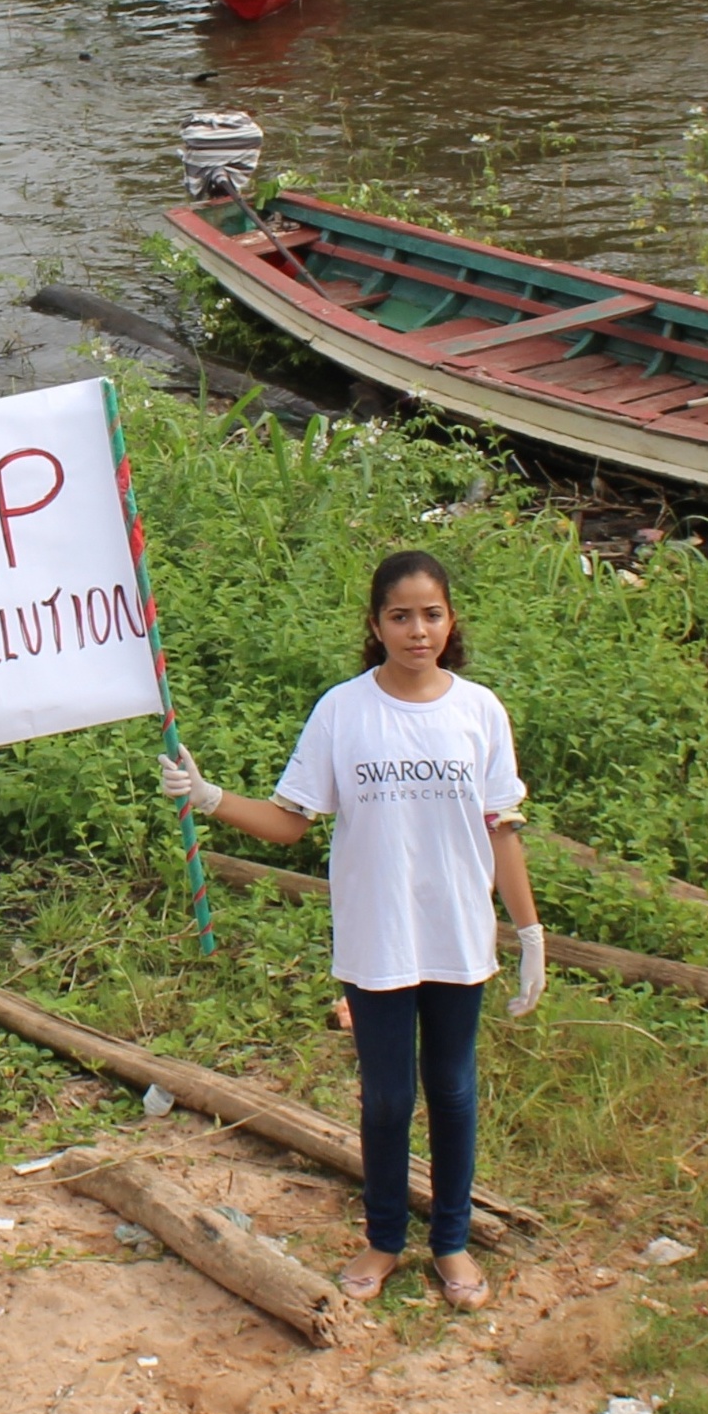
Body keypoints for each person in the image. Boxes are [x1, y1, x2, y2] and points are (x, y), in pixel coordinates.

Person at [161, 549, 541, 1312]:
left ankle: (454, 1244)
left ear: (450, 620)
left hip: (458, 935)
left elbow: (502, 831)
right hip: (377, 937)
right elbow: (291, 824)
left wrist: (528, 932)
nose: (417, 630)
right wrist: (209, 797)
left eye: (431, 613)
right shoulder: (344, 710)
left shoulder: (479, 711)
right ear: (375, 624)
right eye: (400, 616)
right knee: (388, 1098)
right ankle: (384, 1239)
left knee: (454, 1089)